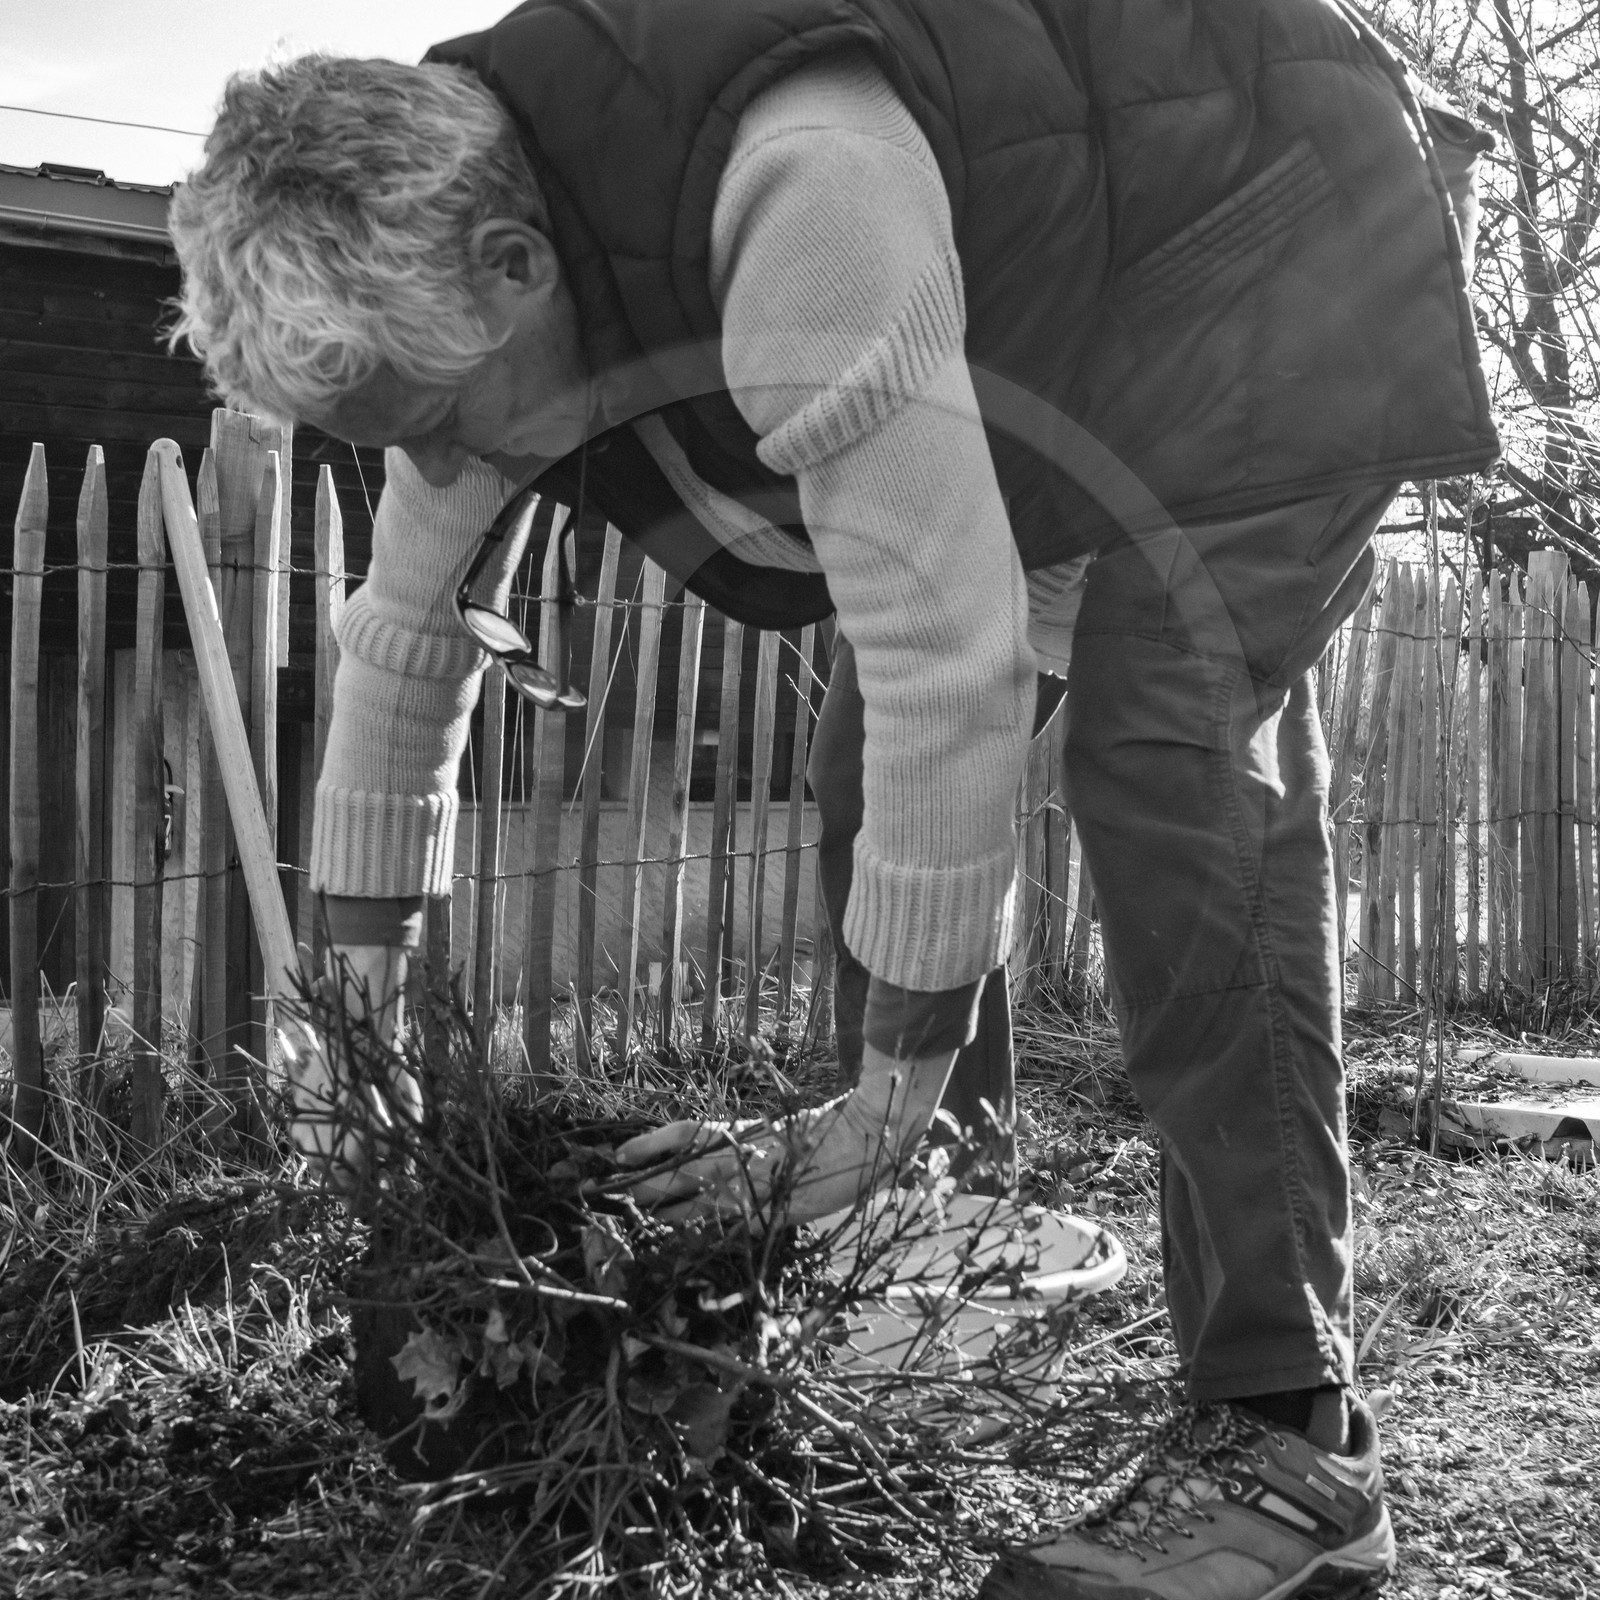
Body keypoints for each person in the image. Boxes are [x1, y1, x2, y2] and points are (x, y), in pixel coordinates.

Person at [168, 1, 1498, 1594]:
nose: (445, 460)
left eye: (442, 418)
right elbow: (401, 643)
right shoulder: (455, 257)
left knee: (1169, 744)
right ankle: (948, 1221)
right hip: (1065, 302)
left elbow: (953, 649)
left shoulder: (802, 191)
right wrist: (354, 1053)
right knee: (872, 747)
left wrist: (873, 1103)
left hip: (1270, 231)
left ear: (521, 266)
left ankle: (1290, 1438)